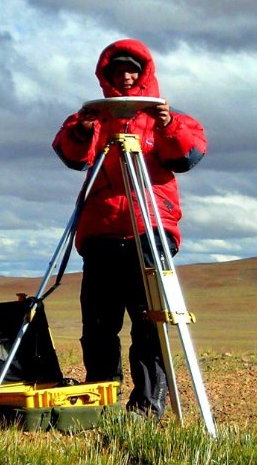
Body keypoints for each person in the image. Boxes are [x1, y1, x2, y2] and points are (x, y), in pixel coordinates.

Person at [52, 38, 207, 419]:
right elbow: (70, 155)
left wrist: (167, 125)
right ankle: (102, 403)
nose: (124, 76)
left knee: (150, 321)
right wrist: (84, 129)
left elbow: (187, 156)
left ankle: (146, 407)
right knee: (99, 325)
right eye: (117, 70)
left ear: (144, 74)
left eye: (131, 70)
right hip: (102, 232)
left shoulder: (169, 117)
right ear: (106, 75)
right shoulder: (91, 118)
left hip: (150, 228)